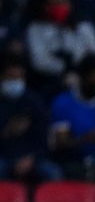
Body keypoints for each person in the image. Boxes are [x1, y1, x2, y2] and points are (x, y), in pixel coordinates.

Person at [0, 55, 62, 183]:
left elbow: (44, 139)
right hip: (3, 157)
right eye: (11, 77)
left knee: (53, 172)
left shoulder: (34, 102)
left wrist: (32, 159)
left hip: (32, 157)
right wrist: (7, 131)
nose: (15, 81)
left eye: (19, 77)